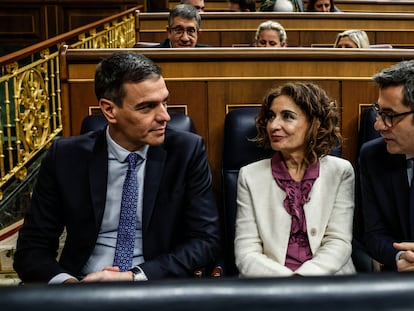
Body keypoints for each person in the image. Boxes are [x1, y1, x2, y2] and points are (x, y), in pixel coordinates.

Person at [13, 51, 221, 283]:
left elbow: (205, 240)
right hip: (83, 282)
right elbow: (31, 248)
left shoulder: (186, 151)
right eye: (147, 107)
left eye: (165, 102)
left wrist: (133, 277)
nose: (164, 116)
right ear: (109, 110)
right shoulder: (65, 156)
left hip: (156, 283)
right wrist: (70, 285)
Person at [234, 82, 356, 277]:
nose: (273, 125)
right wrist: (289, 284)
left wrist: (303, 280)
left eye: (288, 117)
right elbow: (246, 252)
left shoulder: (341, 171)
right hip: (269, 283)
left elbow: (338, 242)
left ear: (315, 124)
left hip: (328, 280)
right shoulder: (249, 176)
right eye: (271, 117)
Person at [359, 60, 414, 272]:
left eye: (390, 115)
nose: (378, 125)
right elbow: (373, 233)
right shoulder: (372, 156)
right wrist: (400, 256)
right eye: (379, 112)